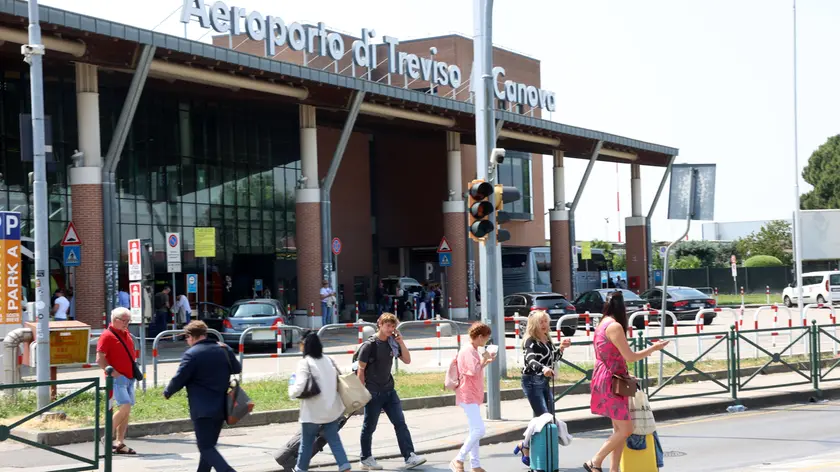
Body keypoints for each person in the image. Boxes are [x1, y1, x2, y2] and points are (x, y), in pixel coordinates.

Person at [584, 291, 669, 472]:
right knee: (626, 429)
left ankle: (614, 470)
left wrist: (625, 374)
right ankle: (595, 461)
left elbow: (612, 356)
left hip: (608, 377)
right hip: (611, 381)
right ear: (623, 308)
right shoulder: (614, 326)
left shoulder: (603, 323)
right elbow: (630, 356)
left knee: (619, 430)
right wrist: (654, 348)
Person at [164, 320, 241, 472]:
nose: (187, 341)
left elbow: (180, 378)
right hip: (222, 407)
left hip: (202, 409)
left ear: (191, 336)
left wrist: (168, 392)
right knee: (209, 447)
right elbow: (237, 368)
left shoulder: (192, 354)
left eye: (187, 337)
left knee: (205, 447)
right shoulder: (224, 349)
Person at [357, 313, 426, 470]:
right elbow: (361, 370)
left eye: (393, 326)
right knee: (369, 426)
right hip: (373, 392)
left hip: (389, 391)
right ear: (379, 324)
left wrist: (401, 342)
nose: (390, 329)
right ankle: (365, 458)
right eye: (387, 325)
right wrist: (362, 393)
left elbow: (407, 360)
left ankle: (409, 456)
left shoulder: (392, 343)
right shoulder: (369, 345)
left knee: (400, 423)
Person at [288, 331, 351, 472]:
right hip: (332, 410)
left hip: (312, 412)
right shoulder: (329, 360)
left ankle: (300, 469)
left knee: (306, 443)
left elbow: (299, 387)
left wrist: (291, 390)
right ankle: (344, 466)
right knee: (334, 440)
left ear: (305, 345)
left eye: (300, 344)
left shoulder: (305, 363)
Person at [450, 322, 495, 472]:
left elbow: (475, 369)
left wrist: (485, 362)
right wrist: (484, 360)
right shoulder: (469, 350)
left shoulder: (472, 349)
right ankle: (459, 458)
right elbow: (473, 371)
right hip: (467, 393)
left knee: (474, 430)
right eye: (486, 339)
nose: (486, 342)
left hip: (471, 393)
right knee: (479, 430)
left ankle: (475, 465)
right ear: (480, 337)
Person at [95, 307, 138, 455]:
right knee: (124, 408)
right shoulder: (107, 335)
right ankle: (106, 437)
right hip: (118, 378)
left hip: (128, 377)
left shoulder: (126, 333)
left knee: (127, 411)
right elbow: (99, 359)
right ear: (115, 320)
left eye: (128, 321)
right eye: (124, 321)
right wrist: (114, 374)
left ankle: (119, 442)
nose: (127, 324)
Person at [521, 310, 571, 417]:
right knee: (544, 416)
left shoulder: (546, 338)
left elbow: (553, 358)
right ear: (533, 324)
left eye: (545, 321)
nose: (544, 324)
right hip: (532, 380)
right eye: (540, 322)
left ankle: (544, 434)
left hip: (544, 380)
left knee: (549, 414)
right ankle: (539, 433)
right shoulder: (530, 341)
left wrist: (561, 348)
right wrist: (543, 369)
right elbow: (531, 360)